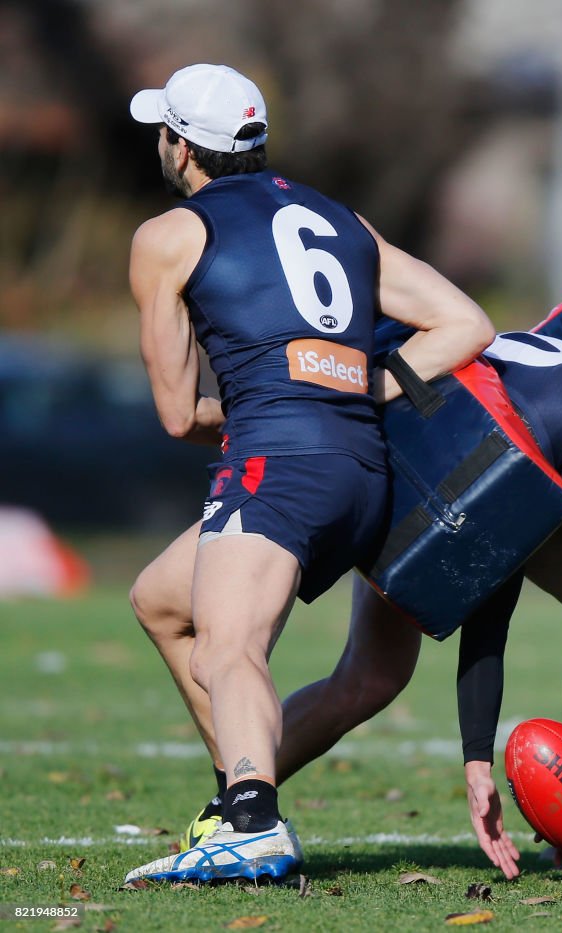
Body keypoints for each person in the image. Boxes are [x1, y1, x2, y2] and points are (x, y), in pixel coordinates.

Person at [131, 330, 562, 886]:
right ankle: (236, 806)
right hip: (407, 455)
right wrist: (477, 759)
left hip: (489, 472)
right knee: (361, 673)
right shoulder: (540, 428)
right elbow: (489, 602)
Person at [122, 63, 494, 884]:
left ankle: (253, 822)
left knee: (228, 646)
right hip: (365, 471)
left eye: (164, 132)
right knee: (161, 599)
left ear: (183, 148)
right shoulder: (340, 217)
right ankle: (237, 798)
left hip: (278, 463)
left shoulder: (168, 236)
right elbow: (466, 322)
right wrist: (356, 385)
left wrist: (268, 402)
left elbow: (179, 415)